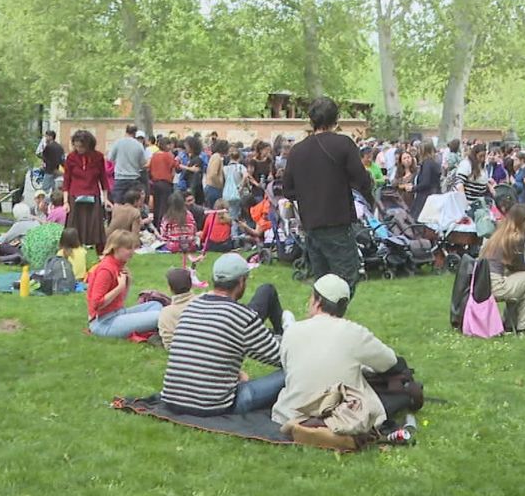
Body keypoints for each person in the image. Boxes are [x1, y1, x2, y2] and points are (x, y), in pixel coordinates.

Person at [159, 253, 285, 415]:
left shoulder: (192, 306)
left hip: (172, 400)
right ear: (241, 282)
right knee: (296, 369)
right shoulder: (241, 315)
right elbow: (281, 358)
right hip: (212, 406)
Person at [271, 273, 398, 431]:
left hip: (291, 415)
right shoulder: (354, 332)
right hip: (344, 417)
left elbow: (287, 368)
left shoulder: (291, 332)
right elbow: (389, 361)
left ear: (317, 302)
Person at [283, 98, 374, 290]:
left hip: (311, 224)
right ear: (336, 119)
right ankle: (332, 316)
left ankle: (322, 316)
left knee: (322, 280)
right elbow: (361, 180)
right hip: (337, 221)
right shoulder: (343, 144)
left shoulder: (297, 151)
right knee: (347, 277)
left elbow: (288, 190)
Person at [86, 229, 161, 339]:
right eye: (128, 248)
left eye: (133, 248)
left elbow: (119, 302)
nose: (132, 252)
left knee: (156, 305)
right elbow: (96, 304)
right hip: (103, 323)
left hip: (118, 314)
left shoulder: (119, 266)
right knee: (160, 316)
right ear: (116, 248)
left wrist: (127, 282)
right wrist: (119, 287)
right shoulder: (106, 270)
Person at [481, 203, 525, 334]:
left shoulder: (501, 234)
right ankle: (524, 326)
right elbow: (520, 266)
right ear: (521, 221)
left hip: (483, 283)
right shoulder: (516, 237)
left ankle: (510, 323)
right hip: (496, 286)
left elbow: (514, 268)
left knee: (520, 279)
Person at [61, 130, 109, 249]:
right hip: (74, 196)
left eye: (81, 146)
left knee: (95, 227)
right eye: (76, 146)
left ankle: (101, 255)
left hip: (93, 195)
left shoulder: (98, 157)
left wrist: (106, 199)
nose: (79, 149)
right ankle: (73, 251)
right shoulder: (71, 158)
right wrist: (65, 202)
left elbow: (103, 179)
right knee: (74, 227)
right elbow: (66, 180)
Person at [156, 267, 200, 350]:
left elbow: (169, 344)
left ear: (169, 288)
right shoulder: (203, 301)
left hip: (181, 349)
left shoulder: (166, 312)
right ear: (191, 285)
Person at [109, 125, 146, 208]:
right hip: (134, 179)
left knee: (117, 203)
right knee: (134, 204)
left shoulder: (118, 143)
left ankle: (117, 220)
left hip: (120, 178)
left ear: (126, 131)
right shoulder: (139, 145)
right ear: (135, 133)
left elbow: (110, 158)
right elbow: (143, 163)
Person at [148, 138, 179, 230]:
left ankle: (155, 226)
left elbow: (149, 168)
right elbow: (176, 166)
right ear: (166, 145)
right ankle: (162, 226)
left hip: (155, 183)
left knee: (156, 206)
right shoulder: (168, 155)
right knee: (164, 206)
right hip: (165, 183)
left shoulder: (154, 156)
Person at [410, 143, 442, 219]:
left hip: (425, 198)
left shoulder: (427, 164)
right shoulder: (434, 163)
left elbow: (425, 182)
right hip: (435, 195)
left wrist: (413, 188)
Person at [222, 148, 246, 221]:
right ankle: (235, 229)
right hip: (239, 193)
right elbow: (246, 176)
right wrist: (241, 186)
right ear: (239, 157)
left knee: (230, 213)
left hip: (227, 194)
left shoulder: (225, 168)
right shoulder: (240, 167)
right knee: (238, 213)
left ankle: (232, 227)